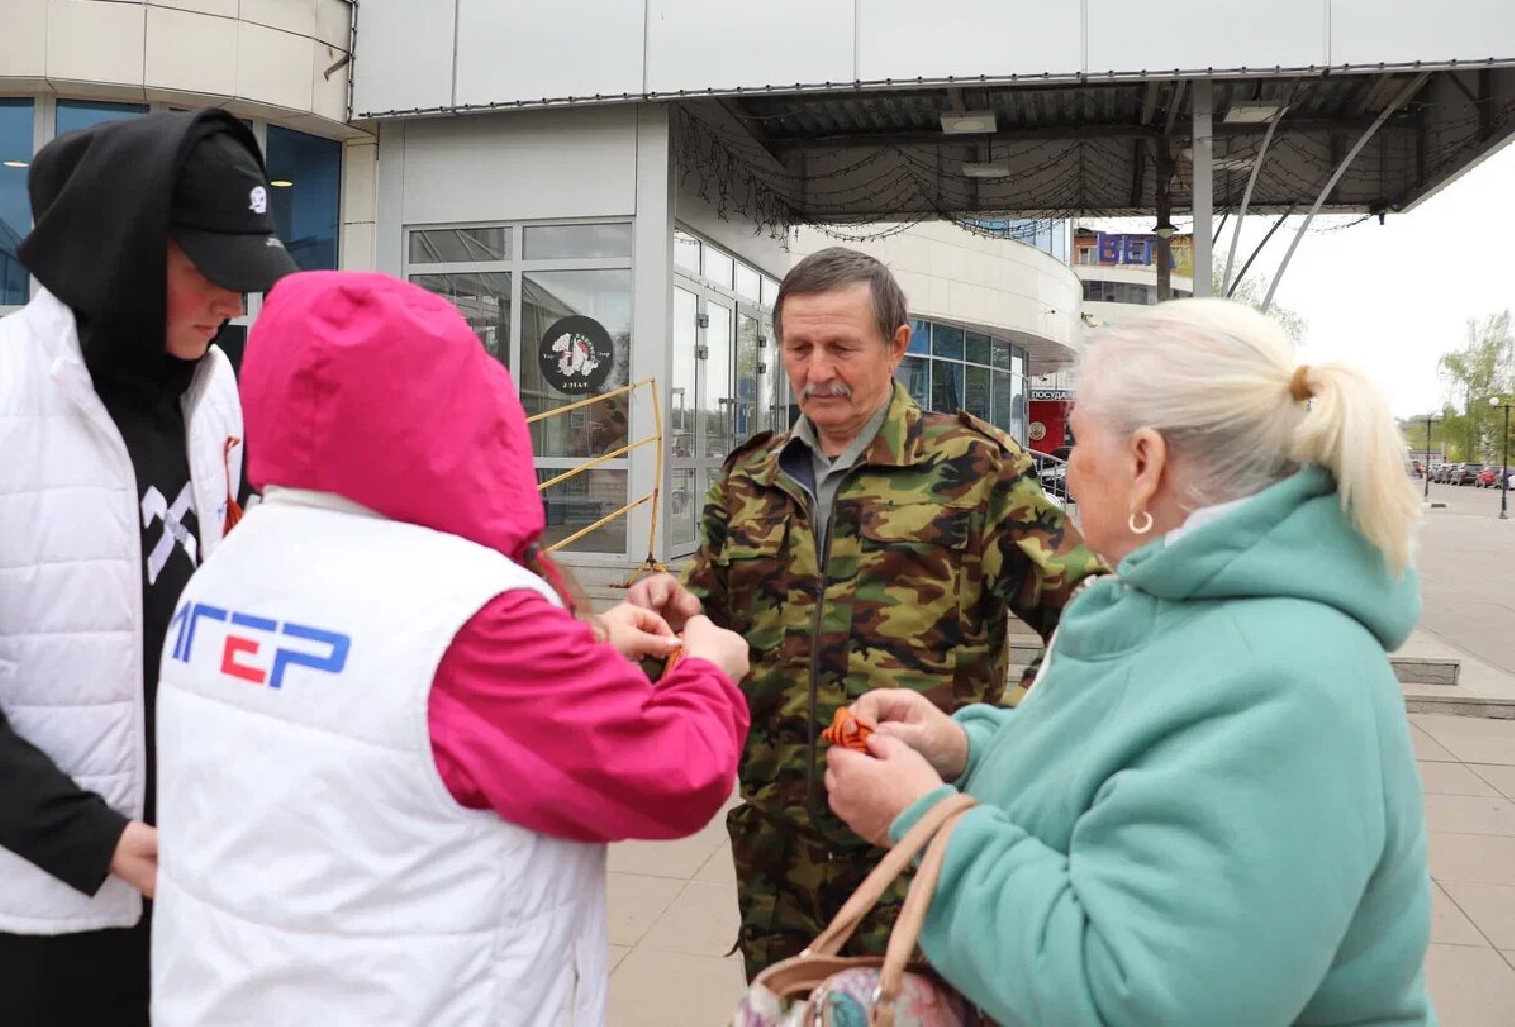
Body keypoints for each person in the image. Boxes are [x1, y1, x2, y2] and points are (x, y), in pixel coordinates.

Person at [150, 272, 751, 1026]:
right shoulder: (474, 616)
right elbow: (667, 771)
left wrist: (584, 641)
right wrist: (707, 668)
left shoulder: (233, 561)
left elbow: (388, 690)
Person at [825, 298, 1434, 1025]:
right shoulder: (1181, 607)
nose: (1068, 469)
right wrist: (963, 749)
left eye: (1076, 439)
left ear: (1145, 463)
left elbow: (1139, 999)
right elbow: (1110, 763)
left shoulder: (1282, 686)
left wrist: (924, 823)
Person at [0, 109, 296, 1024]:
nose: (233, 304)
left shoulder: (216, 393)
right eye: (207, 270)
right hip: (17, 921)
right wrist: (89, 839)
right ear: (121, 247)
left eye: (246, 277)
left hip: (185, 892)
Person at [628, 246, 1105, 978]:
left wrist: (996, 741)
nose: (817, 371)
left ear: (896, 346)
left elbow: (1090, 619)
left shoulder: (972, 470)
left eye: (841, 348)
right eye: (799, 348)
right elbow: (712, 616)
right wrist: (672, 610)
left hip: (916, 846)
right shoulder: (749, 478)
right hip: (778, 856)